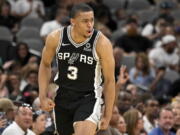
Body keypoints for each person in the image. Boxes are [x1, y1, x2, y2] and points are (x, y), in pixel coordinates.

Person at [39, 3, 115, 135]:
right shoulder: (55, 38)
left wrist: (107, 115)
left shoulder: (101, 43)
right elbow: (45, 64)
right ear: (73, 21)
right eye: (85, 21)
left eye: (92, 20)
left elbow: (109, 80)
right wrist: (42, 96)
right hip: (63, 96)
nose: (90, 25)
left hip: (88, 97)